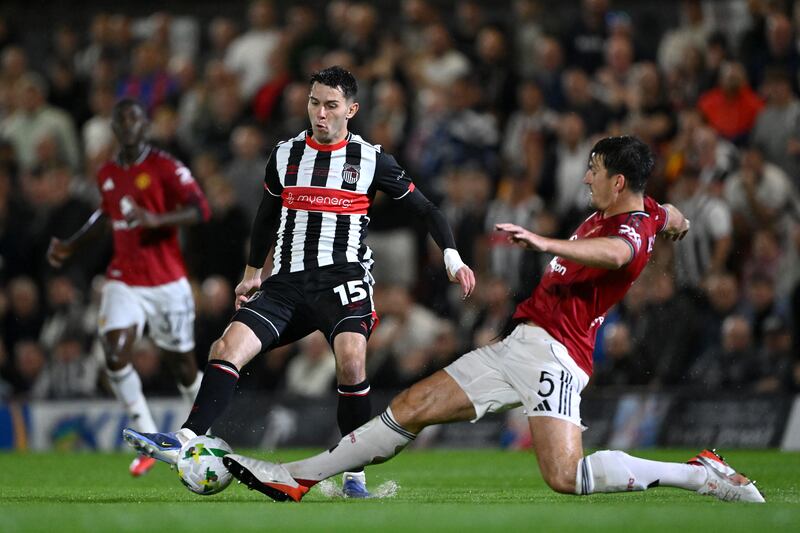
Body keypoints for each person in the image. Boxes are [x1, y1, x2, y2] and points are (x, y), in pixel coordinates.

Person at [222, 136, 763, 504]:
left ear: (618, 182)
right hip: (519, 344)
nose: (585, 179)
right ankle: (297, 478)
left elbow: (618, 257)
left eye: (594, 171)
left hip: (557, 354)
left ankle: (697, 474)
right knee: (411, 406)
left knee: (565, 477)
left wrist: (546, 242)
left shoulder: (627, 233)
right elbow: (666, 215)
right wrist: (677, 220)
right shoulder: (640, 213)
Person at [123, 66, 476, 497]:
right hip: (287, 283)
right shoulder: (285, 154)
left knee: (351, 359)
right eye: (314, 103)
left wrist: (453, 259)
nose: (320, 113)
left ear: (352, 109)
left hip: (344, 280)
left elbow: (428, 210)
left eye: (331, 105)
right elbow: (266, 215)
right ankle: (186, 439)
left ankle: (354, 474)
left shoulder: (371, 159)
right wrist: (252, 274)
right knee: (226, 347)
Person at [48, 99, 210, 476]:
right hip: (125, 279)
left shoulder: (165, 166)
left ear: (145, 125)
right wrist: (72, 243)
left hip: (167, 281)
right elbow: (106, 214)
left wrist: (156, 218)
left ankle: (204, 433)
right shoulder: (107, 172)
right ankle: (150, 437)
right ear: (115, 129)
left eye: (135, 119)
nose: (129, 126)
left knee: (183, 366)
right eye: (121, 121)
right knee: (115, 351)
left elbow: (201, 209)